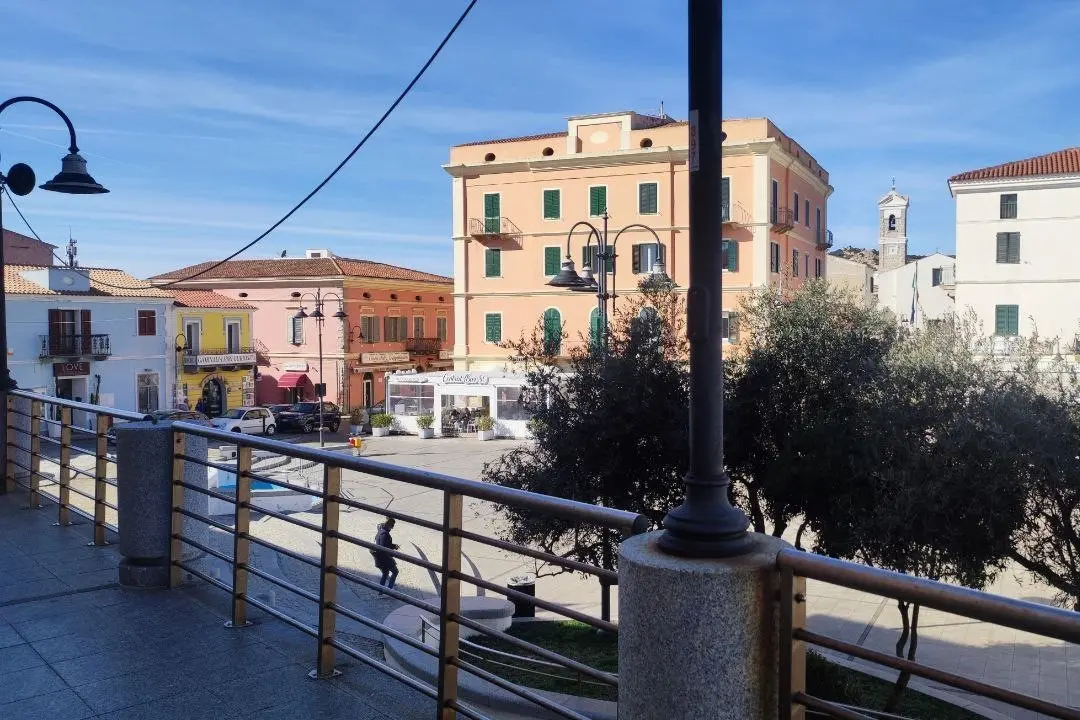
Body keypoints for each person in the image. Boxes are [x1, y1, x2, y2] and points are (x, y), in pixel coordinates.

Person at [372, 517, 400, 596]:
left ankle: (381, 593)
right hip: (385, 559)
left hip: (381, 558)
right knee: (395, 572)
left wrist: (394, 546)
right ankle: (389, 590)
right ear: (389, 525)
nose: (393, 527)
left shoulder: (381, 531)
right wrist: (393, 549)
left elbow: (385, 545)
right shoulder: (384, 534)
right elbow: (384, 547)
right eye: (392, 525)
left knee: (385, 574)